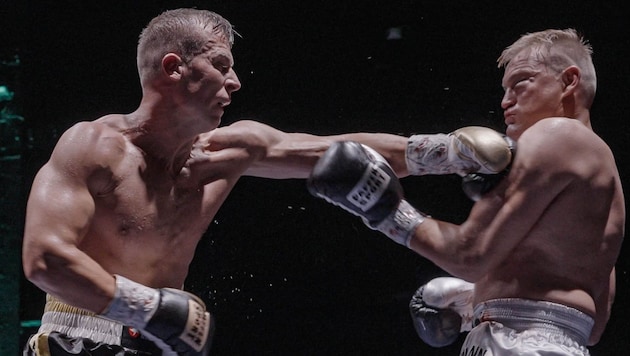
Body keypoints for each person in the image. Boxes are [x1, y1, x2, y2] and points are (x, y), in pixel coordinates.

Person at [21, 8, 428, 355]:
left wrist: (444, 152)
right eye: (220, 65)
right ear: (174, 67)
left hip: (162, 340)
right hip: (77, 337)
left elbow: (338, 151)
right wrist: (147, 307)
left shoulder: (228, 152)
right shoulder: (93, 146)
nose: (235, 82)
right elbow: (43, 259)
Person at [308, 28, 624, 355]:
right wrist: (474, 298)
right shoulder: (606, 184)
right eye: (504, 89)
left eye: (520, 82)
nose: (505, 100)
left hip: (523, 344)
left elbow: (469, 254)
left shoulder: (556, 134)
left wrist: (384, 207)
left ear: (569, 81)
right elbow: (593, 325)